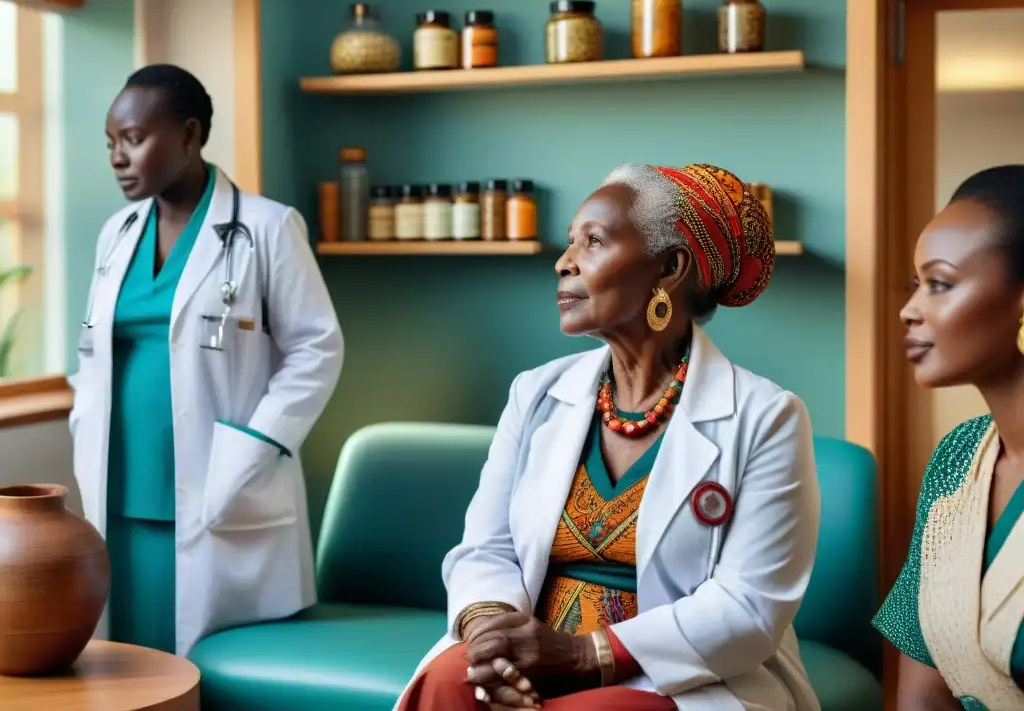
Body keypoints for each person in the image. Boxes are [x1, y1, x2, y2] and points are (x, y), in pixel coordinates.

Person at [396, 163, 822, 710]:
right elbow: (486, 548)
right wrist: (493, 639)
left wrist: (582, 655)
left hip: (674, 675)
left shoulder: (767, 417)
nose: (564, 262)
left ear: (669, 268)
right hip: (530, 650)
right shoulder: (537, 393)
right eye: (571, 242)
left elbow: (748, 606)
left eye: (592, 242)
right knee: (447, 682)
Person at [68, 64, 343, 657]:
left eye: (134, 139)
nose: (118, 156)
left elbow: (317, 347)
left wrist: (257, 441)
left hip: (225, 483)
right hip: (122, 490)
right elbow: (91, 345)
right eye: (111, 143)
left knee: (207, 672)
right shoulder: (115, 235)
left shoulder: (268, 228)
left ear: (190, 135)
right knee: (129, 665)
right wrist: (82, 413)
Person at [873, 165, 1024, 710]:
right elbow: (923, 685)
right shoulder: (958, 457)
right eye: (917, 285)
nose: (909, 310)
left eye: (940, 283)